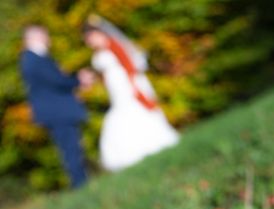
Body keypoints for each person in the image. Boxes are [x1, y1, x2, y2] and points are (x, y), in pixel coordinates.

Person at [83, 17, 179, 172]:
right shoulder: (99, 52)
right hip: (116, 90)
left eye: (91, 37)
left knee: (133, 112)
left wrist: (134, 85)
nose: (90, 42)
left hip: (126, 86)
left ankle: (146, 146)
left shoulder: (114, 45)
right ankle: (131, 152)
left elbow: (129, 64)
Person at [20, 25, 94, 188]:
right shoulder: (34, 59)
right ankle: (80, 185)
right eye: (44, 35)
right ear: (34, 37)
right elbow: (56, 81)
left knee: (71, 148)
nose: (48, 38)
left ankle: (81, 183)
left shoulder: (35, 58)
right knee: (71, 149)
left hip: (56, 111)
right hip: (57, 112)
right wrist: (78, 80)